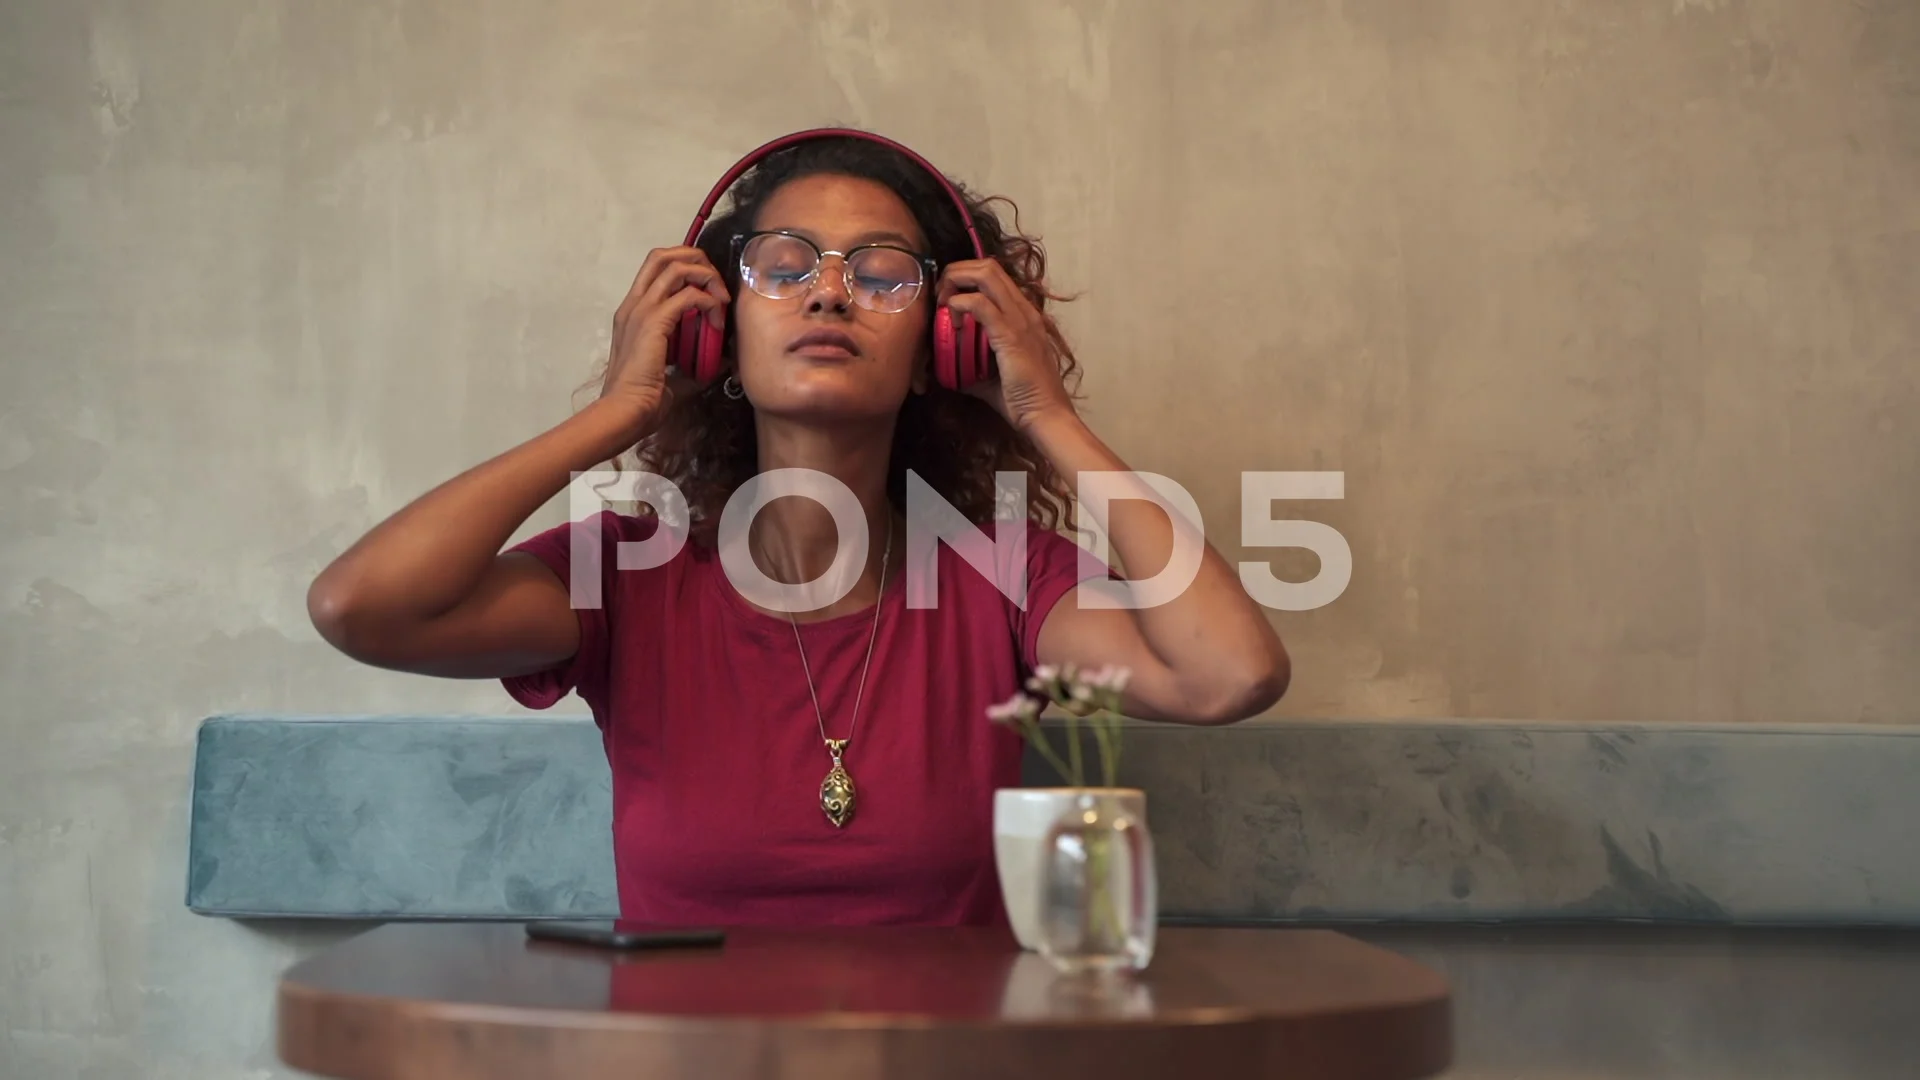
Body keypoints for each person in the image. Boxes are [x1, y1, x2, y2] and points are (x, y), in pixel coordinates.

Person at [306, 130, 1289, 929]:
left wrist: (1046, 415)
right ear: (714, 334)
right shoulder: (625, 573)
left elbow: (1229, 675)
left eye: (883, 273)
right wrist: (617, 412)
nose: (829, 291)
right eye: (782, 267)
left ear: (936, 353)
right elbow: (359, 607)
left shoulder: (1001, 578)